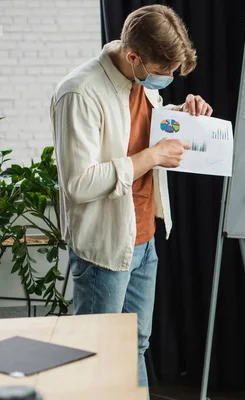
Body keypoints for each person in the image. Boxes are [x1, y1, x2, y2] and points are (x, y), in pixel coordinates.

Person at [50, 5, 212, 388]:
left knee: (135, 345)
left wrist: (183, 113)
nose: (168, 79)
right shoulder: (80, 92)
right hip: (106, 246)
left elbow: (138, 130)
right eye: (163, 72)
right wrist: (151, 157)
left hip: (144, 238)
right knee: (98, 351)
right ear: (133, 56)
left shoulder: (139, 81)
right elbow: (78, 184)